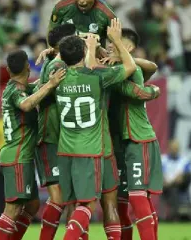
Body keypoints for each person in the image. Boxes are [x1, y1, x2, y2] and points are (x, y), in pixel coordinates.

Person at [55, 19, 136, 240]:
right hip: (93, 150)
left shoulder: (55, 76)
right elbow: (130, 67)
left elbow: (63, 60)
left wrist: (81, 49)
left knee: (73, 206)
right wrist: (115, 41)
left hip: (66, 150)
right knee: (94, 205)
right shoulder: (96, 77)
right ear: (82, 52)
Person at [0, 50, 65, 240]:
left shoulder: (19, 87)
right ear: (28, 67)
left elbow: (38, 87)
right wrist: (51, 83)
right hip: (17, 156)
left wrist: (55, 55)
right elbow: (26, 104)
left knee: (32, 205)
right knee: (13, 208)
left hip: (21, 155)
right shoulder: (16, 92)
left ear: (8, 69)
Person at [105, 28, 163, 240]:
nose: (109, 46)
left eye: (113, 43)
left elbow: (138, 91)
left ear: (126, 47)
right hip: (119, 143)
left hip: (138, 139)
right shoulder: (115, 66)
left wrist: (153, 91)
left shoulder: (130, 70)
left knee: (138, 197)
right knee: (121, 202)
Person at [35, 23, 77, 240]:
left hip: (64, 139)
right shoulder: (58, 65)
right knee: (60, 199)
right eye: (75, 37)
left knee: (71, 198)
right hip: (50, 136)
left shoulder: (56, 61)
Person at [48, 0, 116, 46]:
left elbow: (117, 42)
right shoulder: (61, 7)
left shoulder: (107, 13)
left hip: (94, 56)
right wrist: (51, 52)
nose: (81, 0)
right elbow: (51, 32)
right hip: (66, 55)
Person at [161, 139, 191, 221]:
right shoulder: (163, 159)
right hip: (166, 186)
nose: (174, 150)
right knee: (171, 189)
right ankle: (174, 216)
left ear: (179, 149)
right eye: (172, 148)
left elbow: (187, 174)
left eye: (176, 148)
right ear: (169, 148)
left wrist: (181, 177)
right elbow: (159, 172)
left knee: (185, 178)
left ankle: (174, 216)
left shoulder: (185, 160)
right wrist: (164, 180)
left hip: (180, 185)